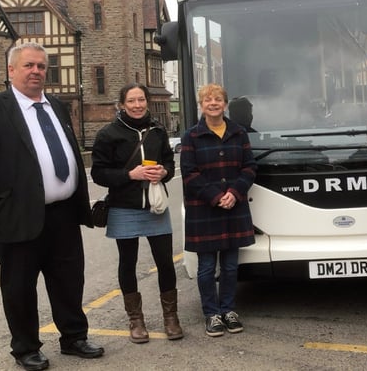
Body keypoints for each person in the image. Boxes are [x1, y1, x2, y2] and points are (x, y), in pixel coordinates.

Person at [0, 42, 104, 371]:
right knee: (19, 287)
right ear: (11, 70)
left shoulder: (56, 105)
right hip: (16, 216)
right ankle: (25, 348)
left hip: (63, 214)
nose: (37, 71)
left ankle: (74, 337)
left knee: (69, 280)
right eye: (28, 65)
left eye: (41, 66)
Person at [90, 83, 183, 344]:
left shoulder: (158, 131)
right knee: (127, 262)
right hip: (124, 206)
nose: (137, 105)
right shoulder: (108, 134)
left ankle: (171, 318)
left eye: (141, 99)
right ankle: (136, 320)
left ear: (148, 101)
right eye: (131, 101)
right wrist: (130, 174)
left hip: (155, 205)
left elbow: (169, 163)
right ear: (122, 104)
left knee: (165, 261)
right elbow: (98, 173)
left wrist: (164, 171)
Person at [181, 83, 257, 337]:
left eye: (217, 99)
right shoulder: (191, 136)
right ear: (201, 105)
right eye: (207, 100)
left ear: (224, 105)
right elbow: (189, 174)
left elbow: (249, 168)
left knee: (231, 267)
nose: (213, 103)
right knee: (205, 268)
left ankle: (228, 310)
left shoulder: (239, 133)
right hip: (205, 210)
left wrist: (234, 193)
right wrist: (216, 196)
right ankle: (211, 313)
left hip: (233, 207)